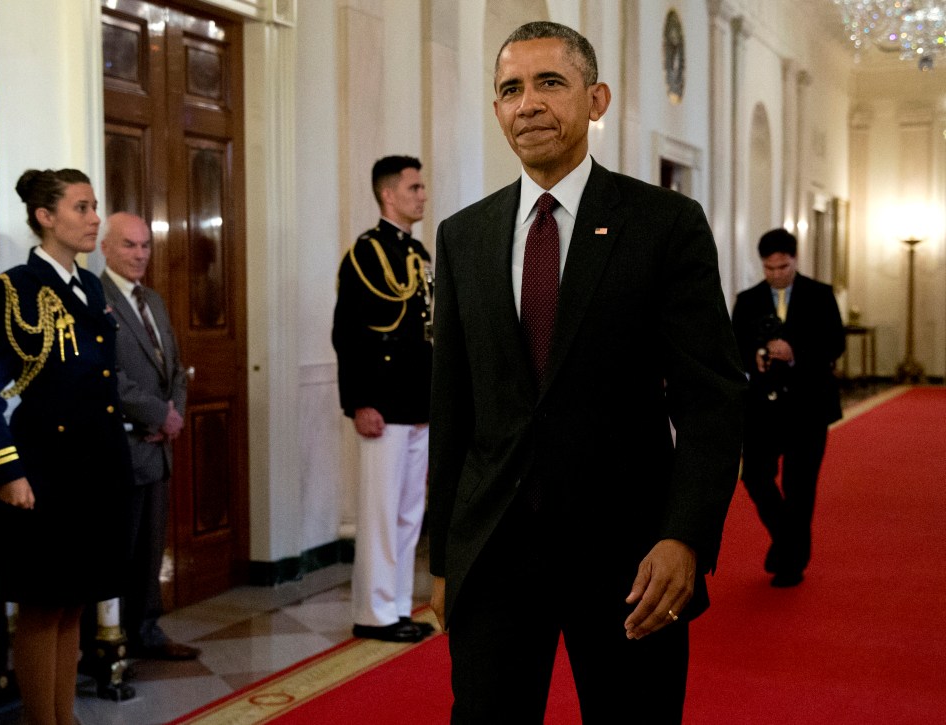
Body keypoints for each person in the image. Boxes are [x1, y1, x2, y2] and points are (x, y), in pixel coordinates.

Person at [427, 22, 746, 722]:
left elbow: (711, 400)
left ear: (595, 99)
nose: (529, 103)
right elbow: (453, 407)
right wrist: (444, 558)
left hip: (630, 557)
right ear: (496, 111)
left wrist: (685, 534)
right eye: (511, 88)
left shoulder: (665, 223)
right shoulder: (462, 237)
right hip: (496, 555)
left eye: (550, 83)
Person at [0, 168, 132, 725]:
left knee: (73, 601)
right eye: (81, 208)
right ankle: (43, 721)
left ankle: (64, 718)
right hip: (43, 472)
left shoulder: (90, 287)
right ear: (45, 217)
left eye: (95, 206)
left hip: (94, 469)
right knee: (41, 606)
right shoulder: (13, 290)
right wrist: (7, 472)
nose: (94, 218)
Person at [332, 155, 435, 643]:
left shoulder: (419, 255)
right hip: (383, 404)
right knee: (379, 511)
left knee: (409, 510)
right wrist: (359, 402)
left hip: (417, 402)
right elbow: (348, 335)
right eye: (414, 188)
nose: (422, 195)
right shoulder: (365, 255)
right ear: (389, 195)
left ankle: (396, 605)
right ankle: (373, 613)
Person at [97, 212, 198, 660]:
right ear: (105, 248)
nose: (139, 254)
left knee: (152, 547)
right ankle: (110, 640)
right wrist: (159, 415)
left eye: (145, 245)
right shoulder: (93, 298)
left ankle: (147, 630)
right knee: (119, 549)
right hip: (124, 447)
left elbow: (174, 366)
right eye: (128, 245)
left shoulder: (153, 300)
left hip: (158, 448)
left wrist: (173, 413)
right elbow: (107, 376)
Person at [731, 228, 845, 588]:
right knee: (754, 476)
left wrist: (795, 354)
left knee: (800, 487)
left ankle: (791, 564)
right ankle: (787, 540)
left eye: (783, 267)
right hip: (763, 407)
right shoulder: (747, 300)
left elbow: (835, 344)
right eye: (769, 268)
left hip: (810, 406)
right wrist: (759, 356)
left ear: (795, 259)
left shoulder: (820, 296)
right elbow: (734, 347)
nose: (777, 275)